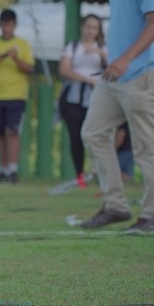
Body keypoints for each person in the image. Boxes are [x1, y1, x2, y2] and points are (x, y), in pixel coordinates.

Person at [79, 0, 154, 233]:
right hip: (116, 76)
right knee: (92, 132)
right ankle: (116, 206)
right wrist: (114, 61)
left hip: (143, 74)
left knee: (146, 147)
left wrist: (125, 59)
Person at [0, 9, 35, 184]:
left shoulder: (22, 44)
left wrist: (16, 59)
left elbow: (30, 69)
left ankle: (12, 169)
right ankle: (3, 170)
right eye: (4, 25)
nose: (7, 28)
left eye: (10, 25)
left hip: (16, 95)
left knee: (13, 131)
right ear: (0, 25)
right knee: (1, 133)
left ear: (15, 25)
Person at [58, 14, 108, 189]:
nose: (90, 31)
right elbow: (64, 69)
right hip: (73, 97)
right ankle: (80, 175)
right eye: (88, 26)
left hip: (95, 97)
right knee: (76, 135)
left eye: (94, 28)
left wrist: (102, 53)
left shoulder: (102, 48)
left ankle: (98, 173)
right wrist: (87, 80)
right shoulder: (73, 46)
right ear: (82, 27)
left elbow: (112, 68)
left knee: (95, 135)